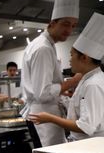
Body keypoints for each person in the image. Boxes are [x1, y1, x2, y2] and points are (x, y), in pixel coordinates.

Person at [21, 0, 82, 146]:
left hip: (44, 114)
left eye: (73, 25)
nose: (69, 30)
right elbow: (43, 93)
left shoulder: (47, 45)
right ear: (52, 23)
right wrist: (72, 82)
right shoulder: (43, 48)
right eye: (66, 24)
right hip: (43, 117)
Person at [29, 12, 104, 141]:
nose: (69, 61)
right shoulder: (90, 79)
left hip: (89, 148)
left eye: (71, 55)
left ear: (84, 58)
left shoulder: (92, 84)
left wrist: (50, 118)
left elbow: (86, 127)